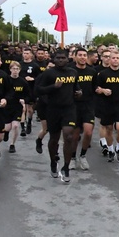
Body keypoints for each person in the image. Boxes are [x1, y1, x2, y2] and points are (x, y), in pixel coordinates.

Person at [35, 49, 82, 182]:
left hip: (69, 108)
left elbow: (76, 88)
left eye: (63, 58)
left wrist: (79, 93)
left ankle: (66, 167)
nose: (61, 60)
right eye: (58, 58)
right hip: (53, 109)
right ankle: (53, 162)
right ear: (53, 59)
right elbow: (38, 90)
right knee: (54, 138)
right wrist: (53, 87)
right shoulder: (49, 73)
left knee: (68, 135)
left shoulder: (73, 72)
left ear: (68, 59)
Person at [94, 50, 119, 164]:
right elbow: (96, 88)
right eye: (113, 58)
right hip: (107, 105)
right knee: (109, 129)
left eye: (117, 58)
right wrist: (103, 90)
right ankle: (111, 150)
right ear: (109, 59)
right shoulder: (103, 74)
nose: (115, 60)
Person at [71, 47, 98, 171]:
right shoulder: (71, 71)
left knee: (88, 132)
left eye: (84, 55)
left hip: (88, 105)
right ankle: (72, 158)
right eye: (80, 55)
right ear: (75, 56)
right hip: (74, 106)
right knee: (75, 136)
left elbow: (95, 88)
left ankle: (83, 155)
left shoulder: (92, 72)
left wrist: (101, 90)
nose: (82, 57)